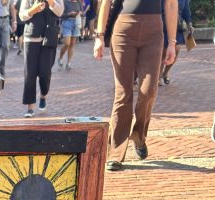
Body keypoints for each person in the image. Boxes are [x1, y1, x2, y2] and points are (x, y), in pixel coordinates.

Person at [94, 0, 177, 170]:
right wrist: (99, 36)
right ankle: (116, 152)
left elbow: (171, 4)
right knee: (123, 93)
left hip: (154, 33)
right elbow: (106, 3)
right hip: (123, 30)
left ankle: (139, 135)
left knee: (149, 91)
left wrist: (172, 43)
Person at [19, 0, 64, 116]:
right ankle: (30, 107)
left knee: (45, 73)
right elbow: (21, 15)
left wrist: (51, 2)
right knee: (30, 74)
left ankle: (43, 95)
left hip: (49, 38)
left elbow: (60, 12)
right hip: (31, 38)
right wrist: (32, 10)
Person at [160, 0, 192, 83]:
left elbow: (186, 10)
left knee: (176, 51)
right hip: (161, 25)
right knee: (162, 54)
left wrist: (189, 24)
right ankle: (158, 77)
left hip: (177, 26)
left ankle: (165, 73)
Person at [0, 0, 18, 77]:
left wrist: (14, 22)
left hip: (5, 20)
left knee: (6, 46)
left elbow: (12, 7)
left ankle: (1, 66)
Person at [58, 0, 84, 68]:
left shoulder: (79, 2)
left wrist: (80, 13)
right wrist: (69, 14)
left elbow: (82, 13)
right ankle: (60, 58)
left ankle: (68, 63)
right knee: (67, 43)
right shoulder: (65, 2)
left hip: (76, 23)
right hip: (67, 22)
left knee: (72, 44)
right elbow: (61, 15)